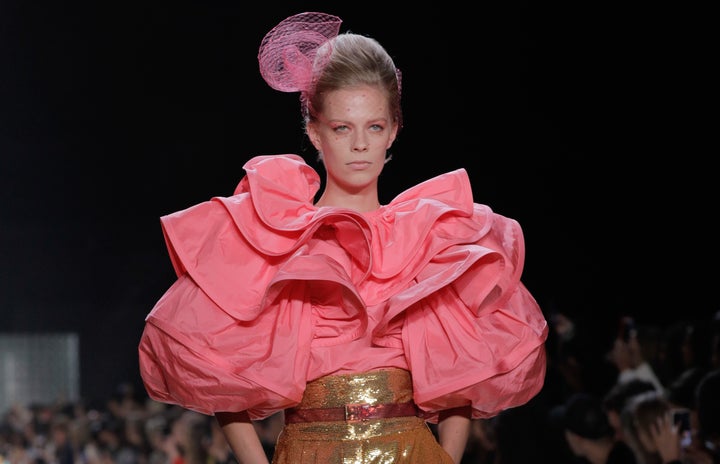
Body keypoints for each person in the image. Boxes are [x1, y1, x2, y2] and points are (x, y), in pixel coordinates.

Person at [138, 11, 548, 464]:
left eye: (374, 127)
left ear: (393, 130)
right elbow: (219, 368)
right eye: (342, 128)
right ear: (314, 132)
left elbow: (462, 369)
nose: (360, 145)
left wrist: (446, 460)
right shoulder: (276, 240)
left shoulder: (431, 238)